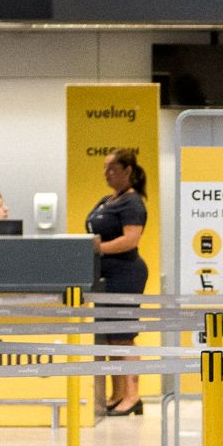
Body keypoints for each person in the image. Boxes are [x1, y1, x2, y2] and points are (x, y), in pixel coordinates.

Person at [87, 148, 149, 417]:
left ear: (128, 171)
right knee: (110, 336)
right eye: (104, 168)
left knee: (124, 336)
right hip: (105, 276)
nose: (107, 173)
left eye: (112, 169)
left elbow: (130, 240)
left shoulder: (133, 203)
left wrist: (99, 249)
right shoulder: (107, 200)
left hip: (126, 273)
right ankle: (118, 393)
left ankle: (133, 397)